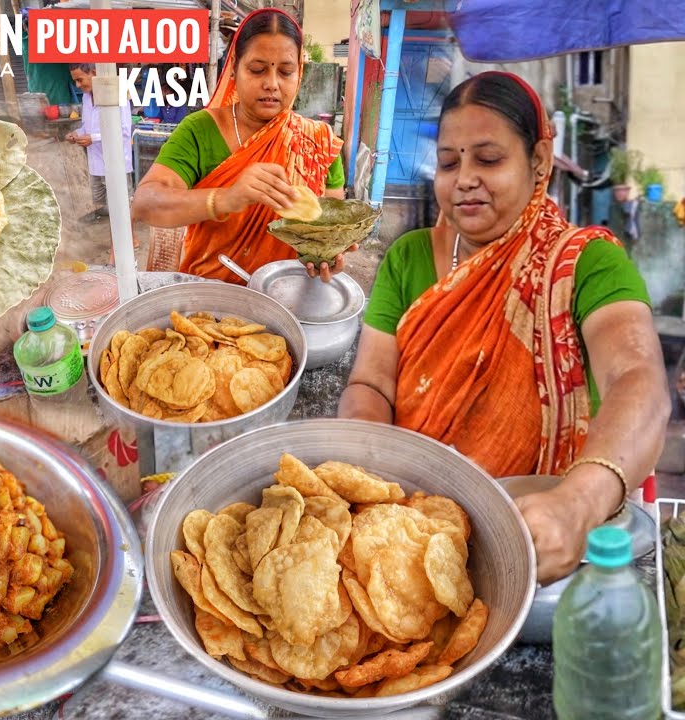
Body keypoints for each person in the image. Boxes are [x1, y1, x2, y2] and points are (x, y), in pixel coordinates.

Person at [338, 72, 669, 584]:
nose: (464, 178)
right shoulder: (408, 258)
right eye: (449, 162)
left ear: (538, 162)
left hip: (548, 548)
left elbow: (638, 383)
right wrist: (370, 472)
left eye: (488, 159)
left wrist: (576, 505)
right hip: (412, 539)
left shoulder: (586, 264)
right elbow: (371, 382)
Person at [130, 9, 347, 282]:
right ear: (234, 67)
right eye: (257, 70)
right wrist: (227, 198)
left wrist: (326, 253)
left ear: (299, 74)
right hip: (209, 305)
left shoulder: (319, 143)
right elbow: (145, 204)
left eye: (286, 71)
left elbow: (329, 223)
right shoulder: (200, 130)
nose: (271, 84)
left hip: (288, 299)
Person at [65, 63, 134, 224]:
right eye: (75, 81)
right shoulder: (86, 97)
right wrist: (77, 133)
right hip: (96, 163)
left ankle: (132, 241)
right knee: (105, 207)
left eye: (80, 80)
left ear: (94, 73)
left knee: (122, 206)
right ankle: (115, 242)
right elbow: (87, 126)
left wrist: (92, 138)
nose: (77, 85)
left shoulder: (118, 94)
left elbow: (123, 130)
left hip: (116, 163)